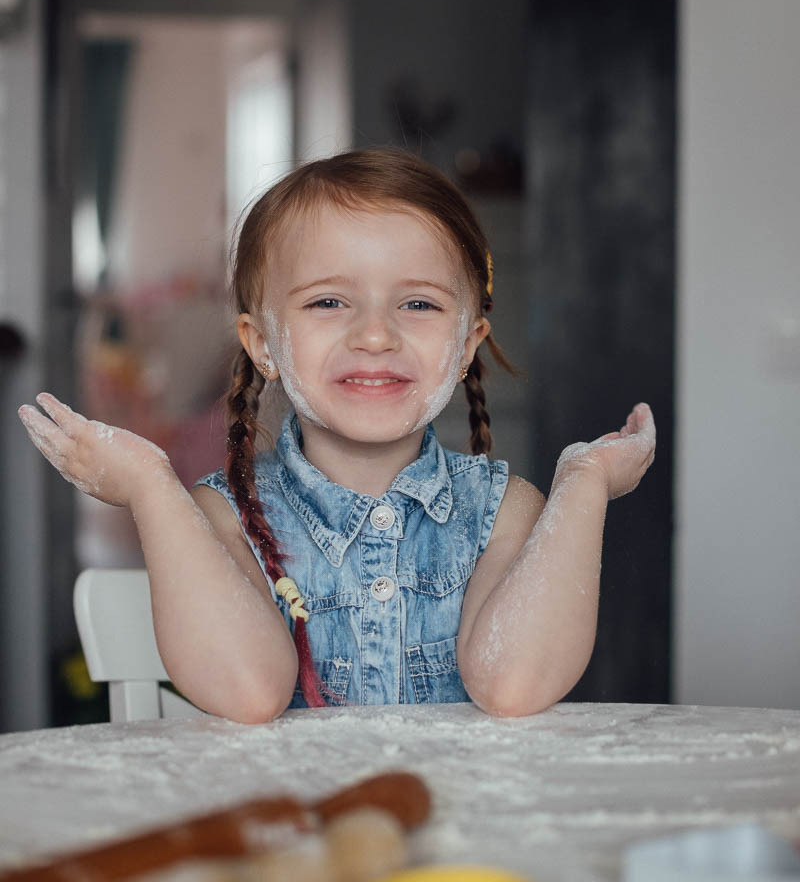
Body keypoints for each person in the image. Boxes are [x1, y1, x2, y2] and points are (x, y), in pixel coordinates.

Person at [18, 149, 655, 721]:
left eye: (418, 304)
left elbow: (513, 685)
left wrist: (584, 483)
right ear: (263, 344)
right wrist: (151, 485)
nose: (375, 335)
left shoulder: (506, 511)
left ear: (467, 346)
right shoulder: (224, 517)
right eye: (328, 302)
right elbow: (249, 692)